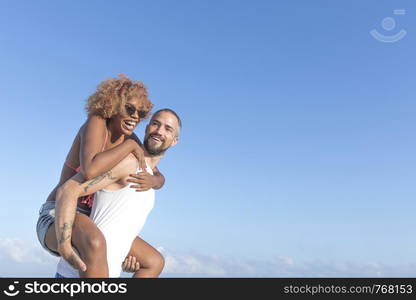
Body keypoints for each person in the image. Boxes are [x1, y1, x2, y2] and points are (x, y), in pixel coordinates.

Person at [36, 75, 165, 277]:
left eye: (141, 113)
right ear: (113, 105)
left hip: (91, 218)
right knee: (95, 242)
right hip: (57, 214)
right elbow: (90, 170)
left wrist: (155, 181)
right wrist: (130, 146)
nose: (135, 117)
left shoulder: (130, 137)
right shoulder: (97, 122)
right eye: (129, 109)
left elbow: (155, 173)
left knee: (153, 261)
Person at [54, 109, 181, 277]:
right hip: (78, 273)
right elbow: (69, 189)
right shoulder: (127, 161)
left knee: (155, 262)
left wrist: (126, 252)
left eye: (168, 128)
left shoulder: (150, 175)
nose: (159, 131)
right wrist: (64, 245)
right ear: (146, 128)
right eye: (155, 124)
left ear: (174, 141)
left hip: (110, 271)